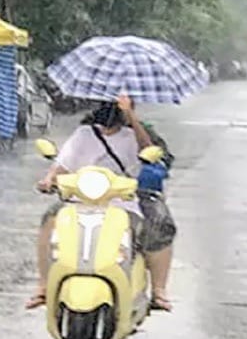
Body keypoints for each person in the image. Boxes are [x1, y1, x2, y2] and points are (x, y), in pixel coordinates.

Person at [26, 93, 178, 311]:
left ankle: (159, 291)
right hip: (82, 198)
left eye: (116, 106)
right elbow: (64, 162)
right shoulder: (84, 134)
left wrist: (130, 116)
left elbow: (149, 151)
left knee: (159, 225)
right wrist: (49, 179)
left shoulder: (136, 133)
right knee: (50, 219)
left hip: (123, 200)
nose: (110, 111)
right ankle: (43, 285)